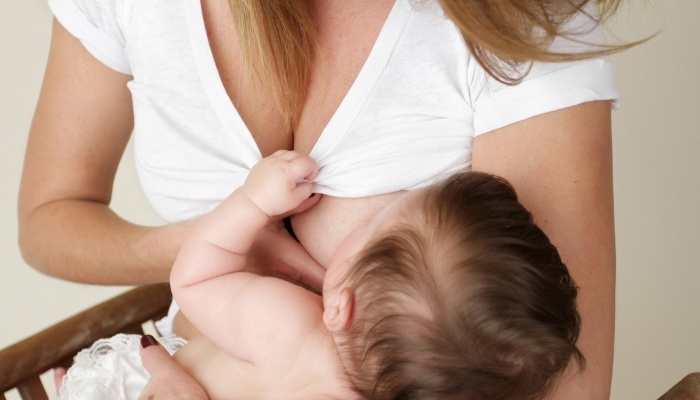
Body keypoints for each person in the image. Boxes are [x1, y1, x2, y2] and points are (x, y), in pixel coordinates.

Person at [19, 0, 629, 398]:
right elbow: (49, 220)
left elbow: (198, 280)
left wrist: (240, 221)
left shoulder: (521, 25)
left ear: (341, 306)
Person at [58, 151, 583, 399]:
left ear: (341, 304)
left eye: (374, 226)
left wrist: (252, 202)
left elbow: (193, 282)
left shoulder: (289, 326)